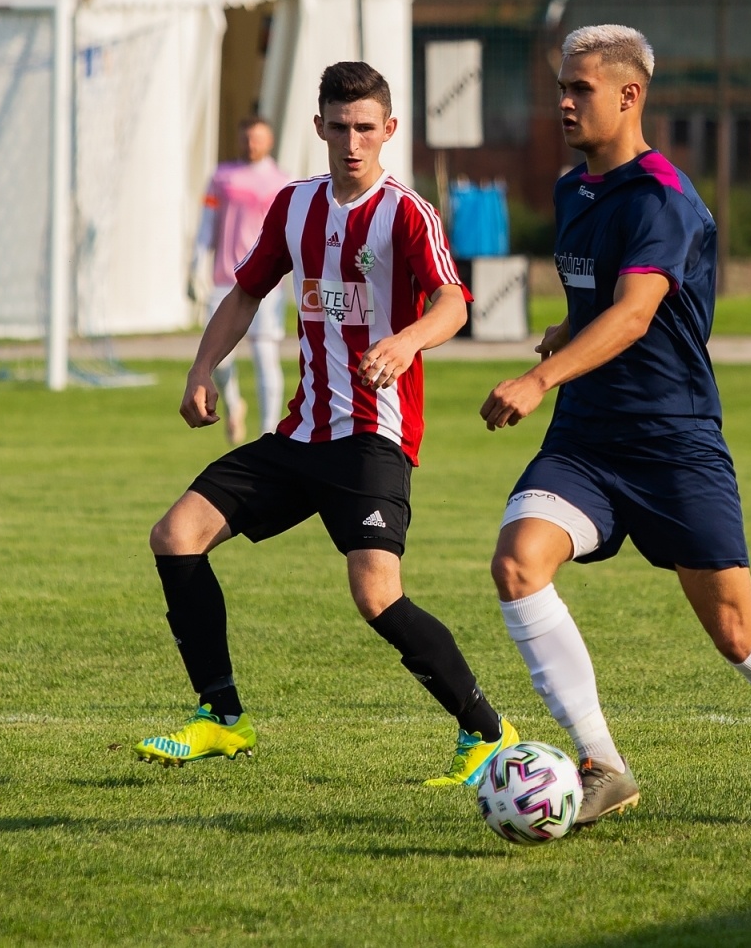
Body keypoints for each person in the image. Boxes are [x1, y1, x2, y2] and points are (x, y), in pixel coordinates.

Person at [479, 25, 751, 830]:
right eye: (562, 86)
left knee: (735, 630)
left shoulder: (663, 198)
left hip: (672, 441)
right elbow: (600, 306)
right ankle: (602, 764)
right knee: (518, 562)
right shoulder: (571, 191)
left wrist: (539, 375)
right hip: (586, 441)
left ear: (630, 95)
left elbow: (636, 310)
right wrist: (561, 332)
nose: (563, 101)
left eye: (580, 88)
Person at [132, 61, 517, 786]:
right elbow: (246, 292)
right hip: (300, 436)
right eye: (338, 128)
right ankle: (221, 719)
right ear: (318, 127)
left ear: (389, 131)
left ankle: (487, 732)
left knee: (376, 595)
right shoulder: (294, 206)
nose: (352, 142)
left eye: (365, 128)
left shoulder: (407, 213)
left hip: (374, 437)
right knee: (176, 536)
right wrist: (201, 369)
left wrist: (405, 343)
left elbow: (453, 304)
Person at [191, 116, 291, 444]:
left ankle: (268, 433)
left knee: (265, 356)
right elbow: (207, 224)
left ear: (269, 142)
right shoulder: (222, 178)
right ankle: (233, 405)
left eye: (258, 139)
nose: (252, 145)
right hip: (225, 279)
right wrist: (195, 265)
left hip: (267, 284)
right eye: (247, 139)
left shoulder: (283, 183)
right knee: (217, 357)